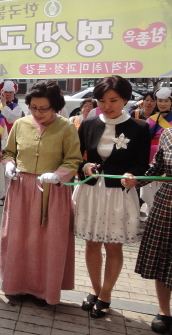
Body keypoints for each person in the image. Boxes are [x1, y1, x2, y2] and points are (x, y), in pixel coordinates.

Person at [73, 75, 150, 318]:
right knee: (92, 243)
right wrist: (84, 168)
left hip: (119, 194)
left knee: (113, 246)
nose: (107, 106)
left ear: (125, 99)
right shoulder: (89, 123)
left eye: (113, 100)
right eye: (102, 100)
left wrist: (133, 175)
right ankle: (95, 291)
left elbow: (142, 165)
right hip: (91, 191)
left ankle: (106, 295)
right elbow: (77, 158)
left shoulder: (139, 127)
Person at [0, 81, 82, 306]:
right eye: (33, 108)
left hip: (52, 191)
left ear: (55, 107)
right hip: (21, 189)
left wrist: (58, 175)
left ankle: (44, 290)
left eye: (43, 108)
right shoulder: (20, 124)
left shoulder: (66, 127)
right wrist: (9, 164)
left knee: (47, 241)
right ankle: (16, 285)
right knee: (17, 238)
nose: (37, 113)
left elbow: (74, 159)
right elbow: (8, 152)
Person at [134, 128, 172, 334]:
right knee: (163, 259)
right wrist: (134, 180)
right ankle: (164, 311)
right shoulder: (168, 134)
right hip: (167, 204)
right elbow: (156, 169)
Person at [142, 88, 172, 216]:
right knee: (150, 196)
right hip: (151, 160)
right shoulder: (151, 120)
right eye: (160, 101)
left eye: (166, 101)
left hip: (168, 161)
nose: (162, 104)